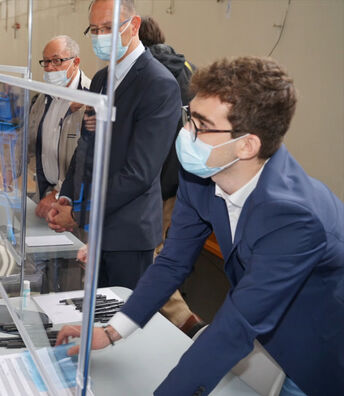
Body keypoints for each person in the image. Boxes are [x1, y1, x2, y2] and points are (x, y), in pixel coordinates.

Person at [57, 56, 344, 396]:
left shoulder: (295, 217)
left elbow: (235, 326)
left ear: (246, 145)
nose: (185, 133)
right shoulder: (201, 172)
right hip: (261, 333)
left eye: (201, 126)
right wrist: (111, 331)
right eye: (188, 116)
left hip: (319, 346)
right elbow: (172, 261)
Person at [47, 0, 182, 288]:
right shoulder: (100, 80)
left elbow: (139, 173)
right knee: (94, 317)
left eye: (108, 27)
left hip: (129, 233)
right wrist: (68, 198)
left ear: (134, 26)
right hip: (96, 225)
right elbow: (86, 146)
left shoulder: (158, 84)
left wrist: (80, 212)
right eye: (94, 29)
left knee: (123, 325)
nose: (100, 36)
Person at [138, 15, 204, 336]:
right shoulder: (186, 66)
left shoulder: (149, 73)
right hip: (186, 181)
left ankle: (184, 321)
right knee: (168, 252)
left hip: (159, 181)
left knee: (155, 255)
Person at [29, 35, 90, 219]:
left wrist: (59, 193)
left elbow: (88, 160)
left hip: (73, 201)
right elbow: (31, 137)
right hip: (44, 193)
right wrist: (11, 168)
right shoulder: (42, 98)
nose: (49, 68)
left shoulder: (91, 99)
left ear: (75, 62)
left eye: (56, 61)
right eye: (45, 62)